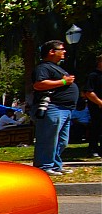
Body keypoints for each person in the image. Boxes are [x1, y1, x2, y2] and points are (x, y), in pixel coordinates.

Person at [31, 40, 78, 176]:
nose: (64, 52)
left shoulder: (57, 67)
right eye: (61, 49)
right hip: (53, 107)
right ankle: (44, 166)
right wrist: (64, 81)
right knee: (48, 138)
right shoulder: (43, 68)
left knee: (62, 140)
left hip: (65, 109)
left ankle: (56, 165)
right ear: (52, 52)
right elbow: (39, 84)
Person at [85, 54, 102, 158]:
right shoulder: (93, 75)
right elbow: (88, 92)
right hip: (97, 107)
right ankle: (93, 149)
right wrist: (100, 102)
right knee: (96, 127)